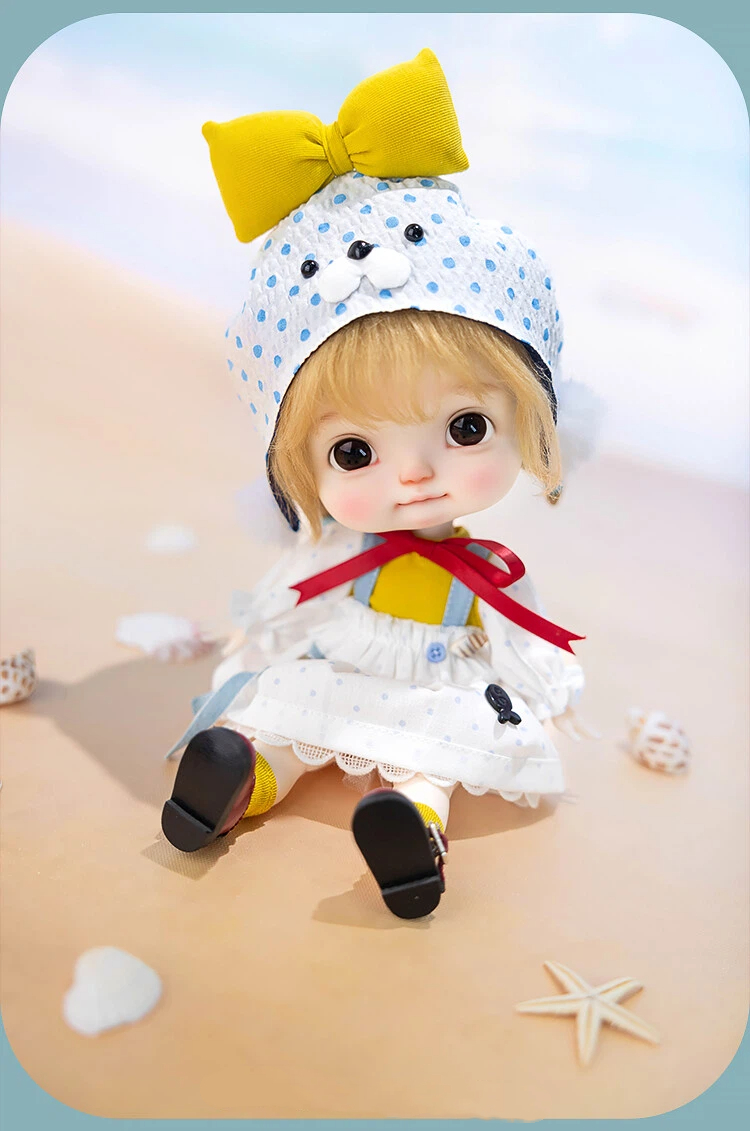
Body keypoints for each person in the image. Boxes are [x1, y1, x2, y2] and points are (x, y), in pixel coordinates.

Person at [162, 48, 590, 920]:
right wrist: (259, 647)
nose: (416, 474)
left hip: (433, 687)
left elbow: (519, 638)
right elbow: (293, 603)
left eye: (464, 429)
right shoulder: (343, 552)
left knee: (424, 759)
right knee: (281, 715)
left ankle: (407, 834)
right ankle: (234, 778)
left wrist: (541, 690)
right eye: (354, 451)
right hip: (339, 662)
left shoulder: (488, 572)